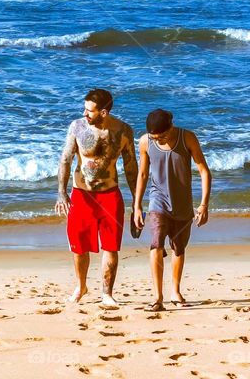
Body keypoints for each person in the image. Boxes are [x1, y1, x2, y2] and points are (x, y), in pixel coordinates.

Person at [55, 88, 138, 308]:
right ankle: (81, 286)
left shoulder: (123, 131)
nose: (85, 113)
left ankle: (107, 293)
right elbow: (65, 160)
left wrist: (137, 203)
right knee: (79, 247)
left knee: (111, 247)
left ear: (103, 112)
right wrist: (62, 193)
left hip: (110, 195)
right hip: (81, 195)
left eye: (89, 110)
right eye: (84, 108)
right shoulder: (77, 127)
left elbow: (131, 168)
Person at [132, 108, 212, 311]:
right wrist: (137, 206)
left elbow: (204, 170)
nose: (158, 140)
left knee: (178, 248)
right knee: (156, 244)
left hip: (183, 203)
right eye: (155, 137)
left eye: (162, 136)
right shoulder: (145, 141)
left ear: (171, 126)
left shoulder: (187, 138)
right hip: (157, 200)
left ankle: (175, 291)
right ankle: (157, 297)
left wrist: (204, 204)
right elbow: (142, 175)